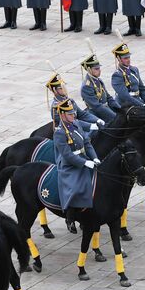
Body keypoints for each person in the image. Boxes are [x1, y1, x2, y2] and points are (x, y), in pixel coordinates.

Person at [53, 99, 99, 233]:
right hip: (69, 164)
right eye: (70, 114)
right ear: (62, 115)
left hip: (83, 157)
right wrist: (84, 162)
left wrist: (95, 157)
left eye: (73, 113)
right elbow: (67, 155)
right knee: (74, 187)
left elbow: (87, 143)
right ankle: (70, 216)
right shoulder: (59, 133)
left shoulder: (75, 124)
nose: (73, 116)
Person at [80, 54, 120, 123]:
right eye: (96, 69)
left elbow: (108, 98)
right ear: (89, 70)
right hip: (96, 113)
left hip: (105, 109)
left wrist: (120, 109)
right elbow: (97, 106)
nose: (99, 70)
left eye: (99, 68)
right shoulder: (86, 86)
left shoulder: (99, 80)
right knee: (95, 131)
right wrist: (114, 116)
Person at [111, 42, 145, 107]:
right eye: (125, 58)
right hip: (125, 105)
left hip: (138, 101)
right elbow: (125, 96)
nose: (128, 60)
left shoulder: (134, 70)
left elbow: (142, 89)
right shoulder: (117, 75)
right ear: (119, 59)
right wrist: (142, 105)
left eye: (129, 57)